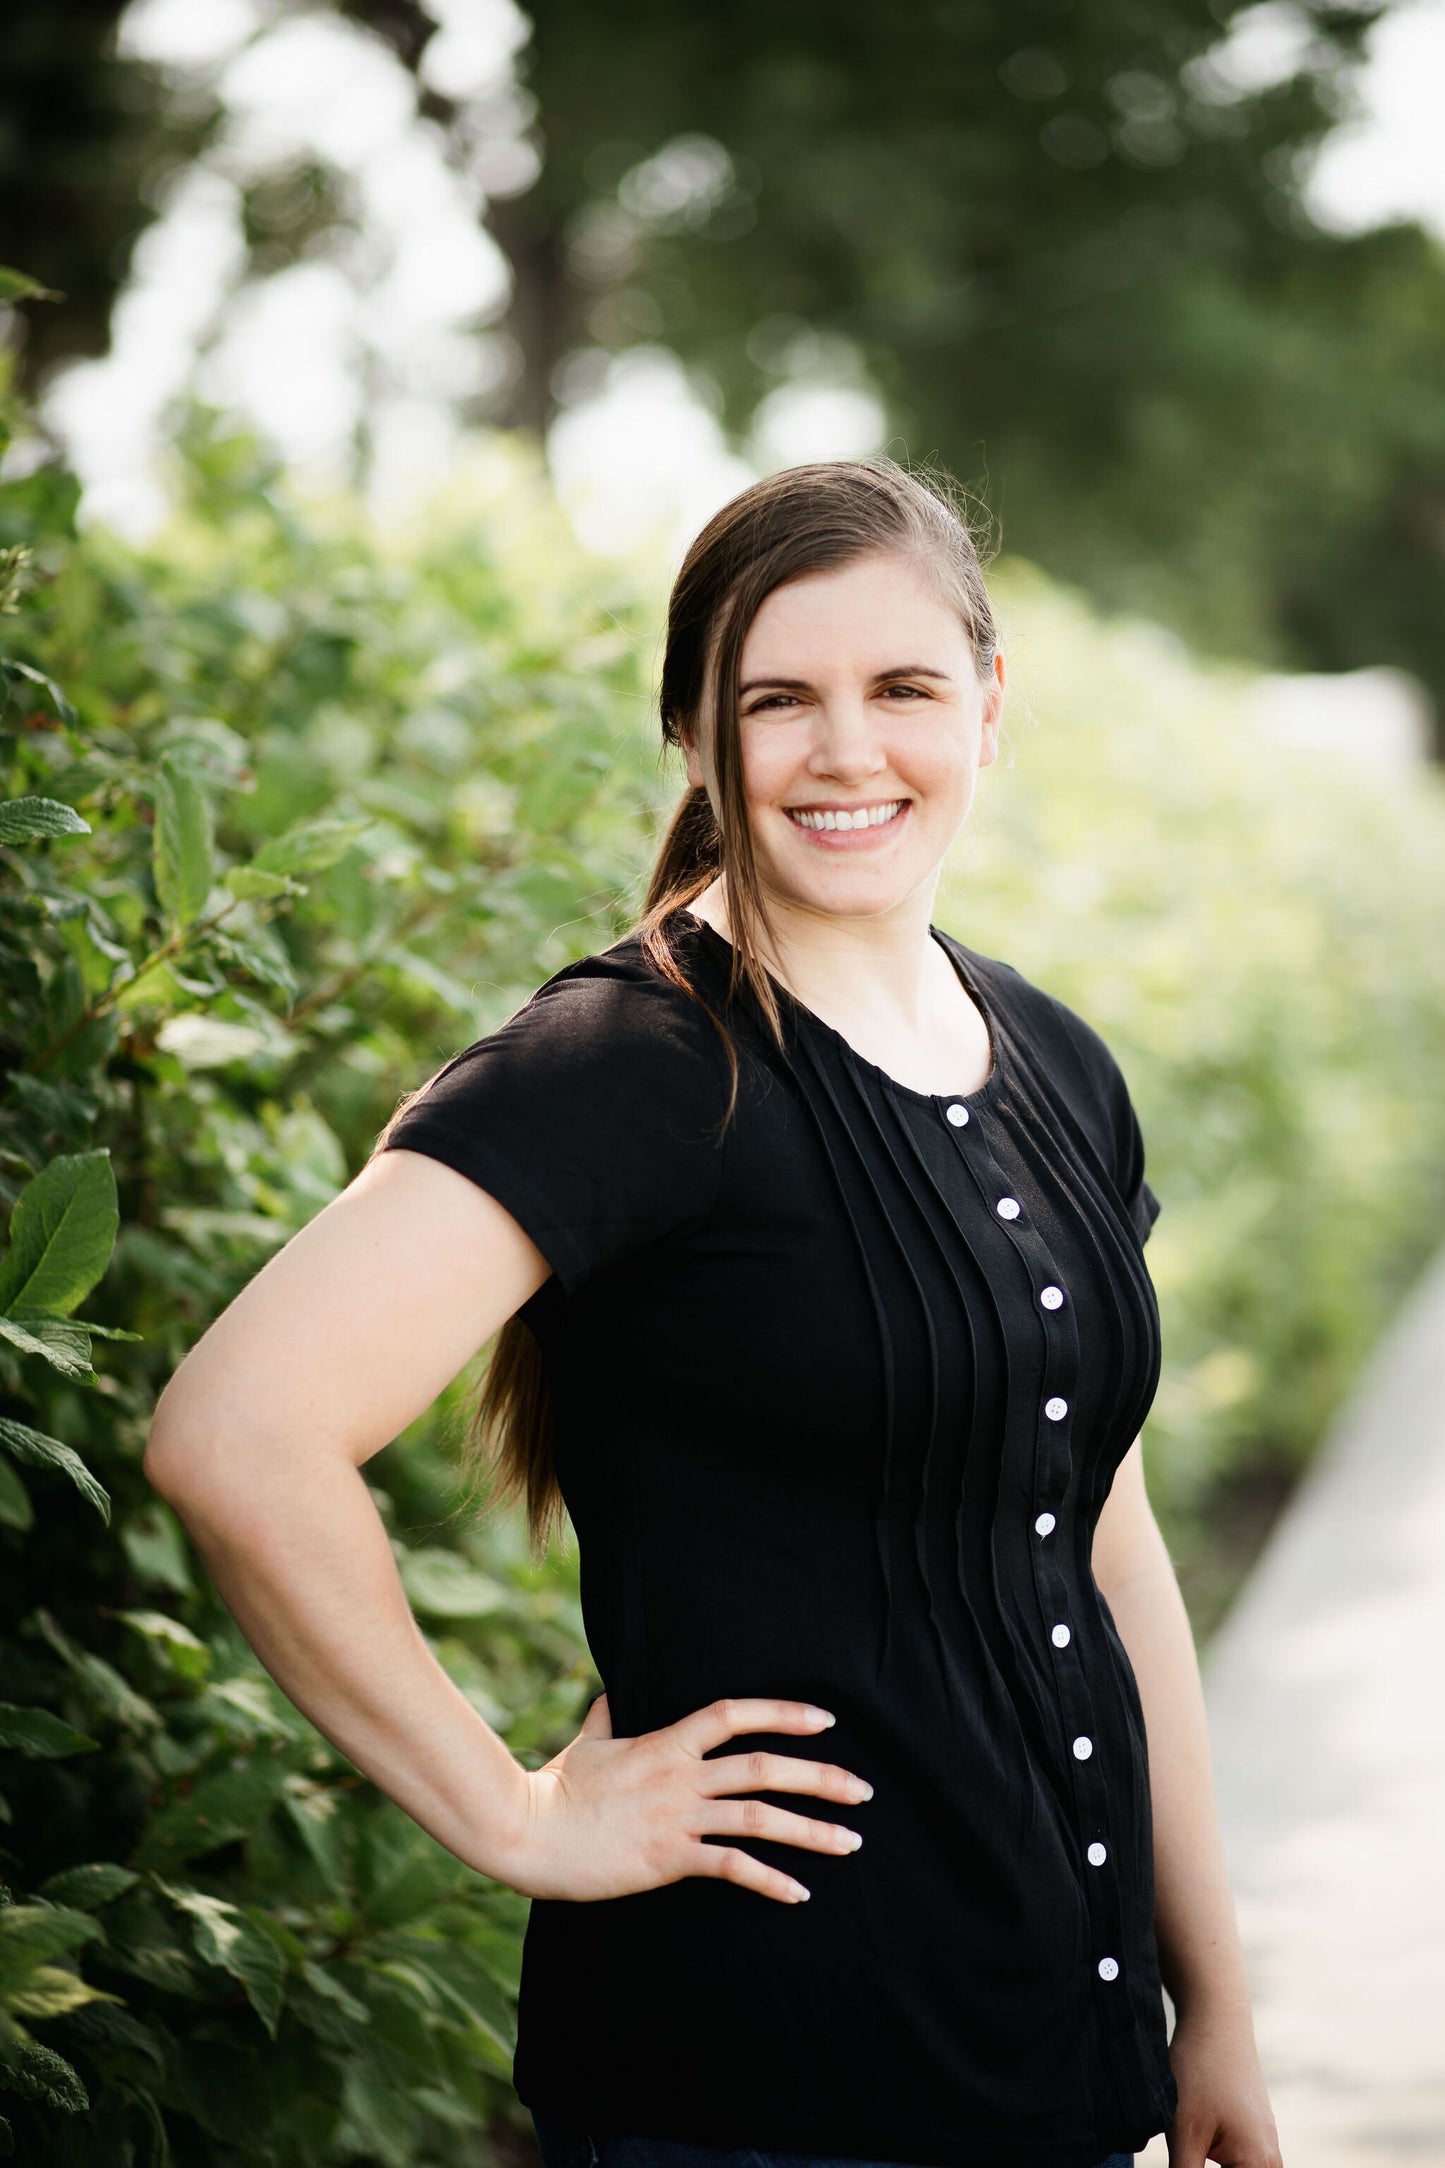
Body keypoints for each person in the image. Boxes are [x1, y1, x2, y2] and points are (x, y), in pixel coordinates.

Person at [144, 458, 1283, 2168]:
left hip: (1066, 2061)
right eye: (777, 700)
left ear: (987, 704)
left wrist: (1216, 2014)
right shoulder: (631, 1065)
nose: (846, 750)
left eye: (902, 688)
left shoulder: (1051, 1057)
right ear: (693, 733)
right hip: (760, 2094)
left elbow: (1104, 1559)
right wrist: (519, 1815)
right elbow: (237, 1436)